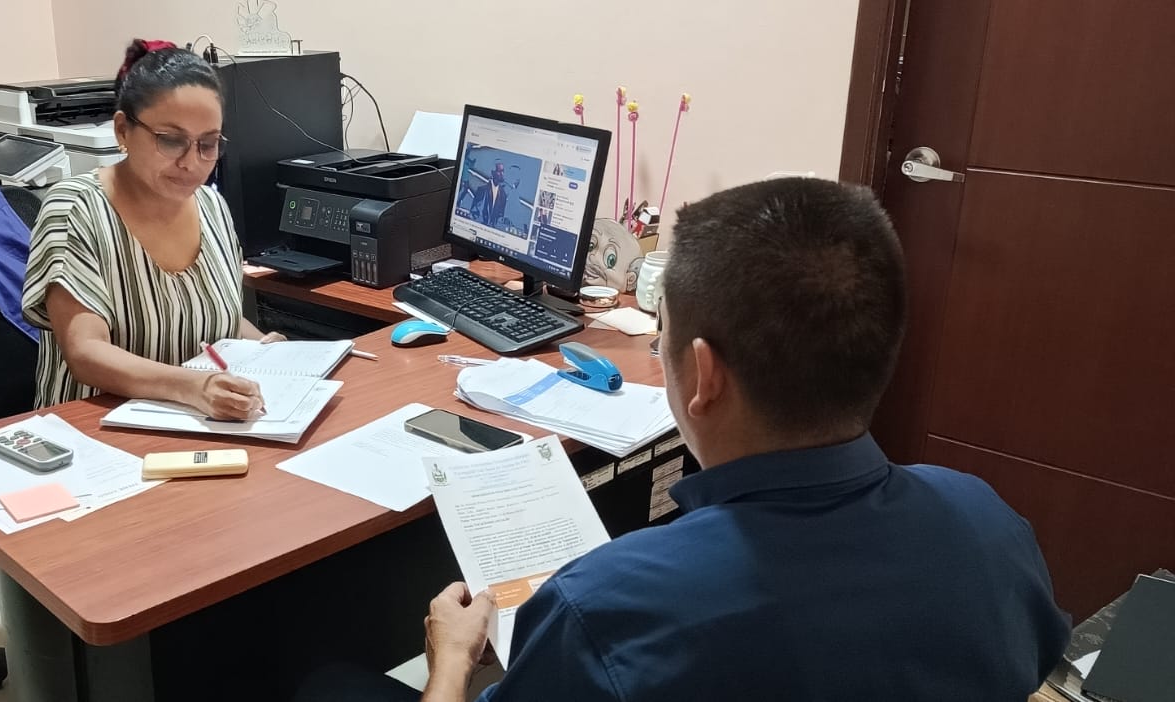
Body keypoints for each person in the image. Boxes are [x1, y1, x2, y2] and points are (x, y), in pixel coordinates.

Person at [304, 178, 1070, 701]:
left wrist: (449, 664)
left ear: (703, 375)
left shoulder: (601, 613)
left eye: (660, 331)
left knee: (327, 683)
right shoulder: (990, 526)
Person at [21, 39, 284, 418]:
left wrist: (266, 350)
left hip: (197, 421)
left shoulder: (212, 206)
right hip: (94, 428)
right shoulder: (76, 207)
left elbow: (209, 318)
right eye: (171, 141)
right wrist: (193, 387)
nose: (191, 163)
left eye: (208, 144)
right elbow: (85, 353)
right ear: (122, 131)